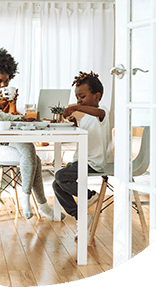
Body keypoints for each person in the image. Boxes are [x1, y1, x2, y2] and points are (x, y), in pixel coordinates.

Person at [0, 45, 60, 220]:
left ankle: (33, 202)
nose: (3, 85)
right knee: (34, 159)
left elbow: (10, 119)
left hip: (9, 140)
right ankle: (37, 204)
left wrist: (14, 104)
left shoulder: (7, 94)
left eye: (7, 81)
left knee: (30, 151)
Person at [52, 71, 111, 232]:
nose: (79, 100)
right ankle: (81, 216)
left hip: (94, 162)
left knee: (60, 177)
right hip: (80, 161)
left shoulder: (102, 112)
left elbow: (98, 114)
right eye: (77, 97)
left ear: (97, 96)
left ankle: (91, 195)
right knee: (56, 184)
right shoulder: (85, 117)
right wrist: (74, 122)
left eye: (82, 97)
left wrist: (76, 107)